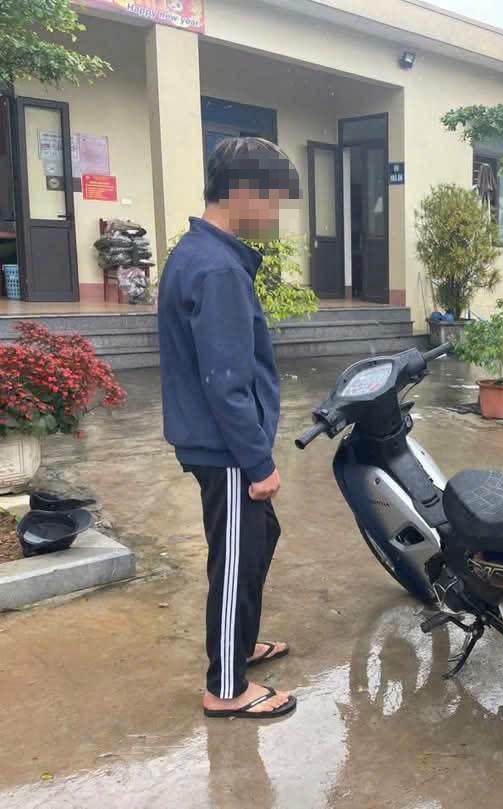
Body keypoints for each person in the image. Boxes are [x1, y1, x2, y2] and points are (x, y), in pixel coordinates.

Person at [158, 137, 301, 720]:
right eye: (274, 199)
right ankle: (226, 688)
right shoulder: (217, 268)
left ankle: (237, 644)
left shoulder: (202, 253)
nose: (276, 213)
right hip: (227, 449)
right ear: (243, 191)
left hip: (219, 441)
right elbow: (225, 380)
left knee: (258, 539)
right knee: (236, 562)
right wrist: (258, 462)